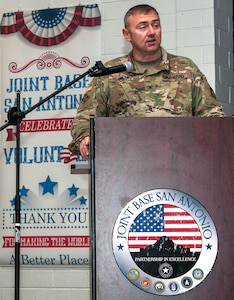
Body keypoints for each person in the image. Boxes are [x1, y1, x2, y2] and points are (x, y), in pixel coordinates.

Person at [68, 4, 225, 159]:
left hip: (181, 161)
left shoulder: (186, 68)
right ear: (127, 34)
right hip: (124, 164)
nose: (151, 32)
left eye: (155, 25)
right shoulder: (110, 73)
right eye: (142, 27)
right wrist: (86, 136)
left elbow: (211, 114)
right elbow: (85, 117)